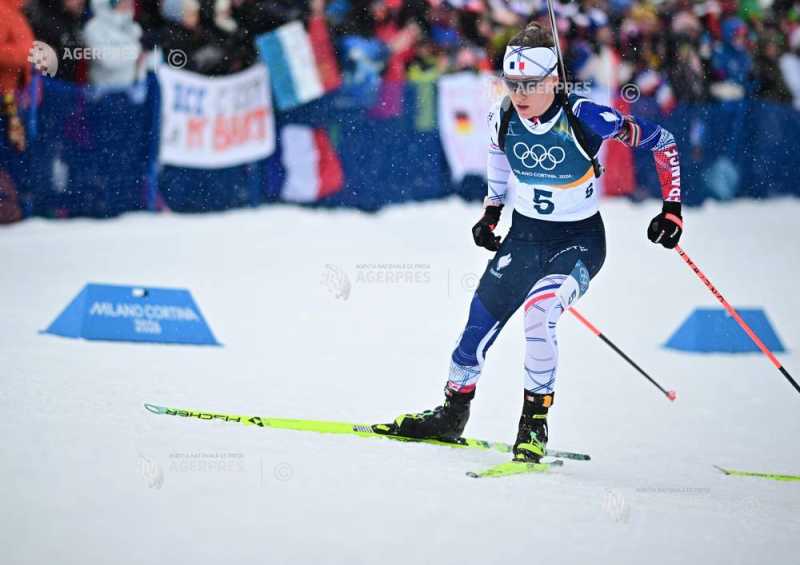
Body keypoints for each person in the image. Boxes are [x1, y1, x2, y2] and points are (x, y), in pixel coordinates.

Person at [376, 22, 684, 463]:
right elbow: (497, 156)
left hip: (578, 241)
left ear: (554, 80)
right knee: (476, 326)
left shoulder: (586, 116)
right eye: (512, 82)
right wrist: (491, 211)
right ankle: (451, 414)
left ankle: (533, 424)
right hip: (524, 237)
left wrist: (671, 209)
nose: (520, 93)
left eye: (531, 84)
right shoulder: (502, 115)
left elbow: (663, 142)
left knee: (539, 314)